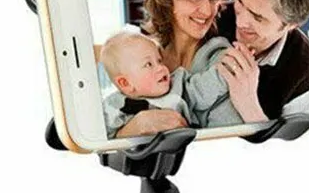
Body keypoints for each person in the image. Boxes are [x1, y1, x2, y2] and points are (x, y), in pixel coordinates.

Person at [113, 0, 237, 138]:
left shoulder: (222, 63)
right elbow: (115, 115)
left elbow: (226, 141)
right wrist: (133, 128)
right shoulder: (144, 54)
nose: (207, 11)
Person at [206, 0, 309, 126]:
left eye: (257, 17)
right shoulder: (208, 20)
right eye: (240, 1)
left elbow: (286, 143)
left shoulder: (306, 76)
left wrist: (248, 105)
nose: (240, 22)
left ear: (291, 25)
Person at [99, 29, 235, 137]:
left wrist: (229, 68)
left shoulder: (178, 85)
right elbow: (101, 138)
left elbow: (204, 87)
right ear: (125, 83)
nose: (161, 68)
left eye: (159, 61)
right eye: (148, 64)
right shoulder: (114, 106)